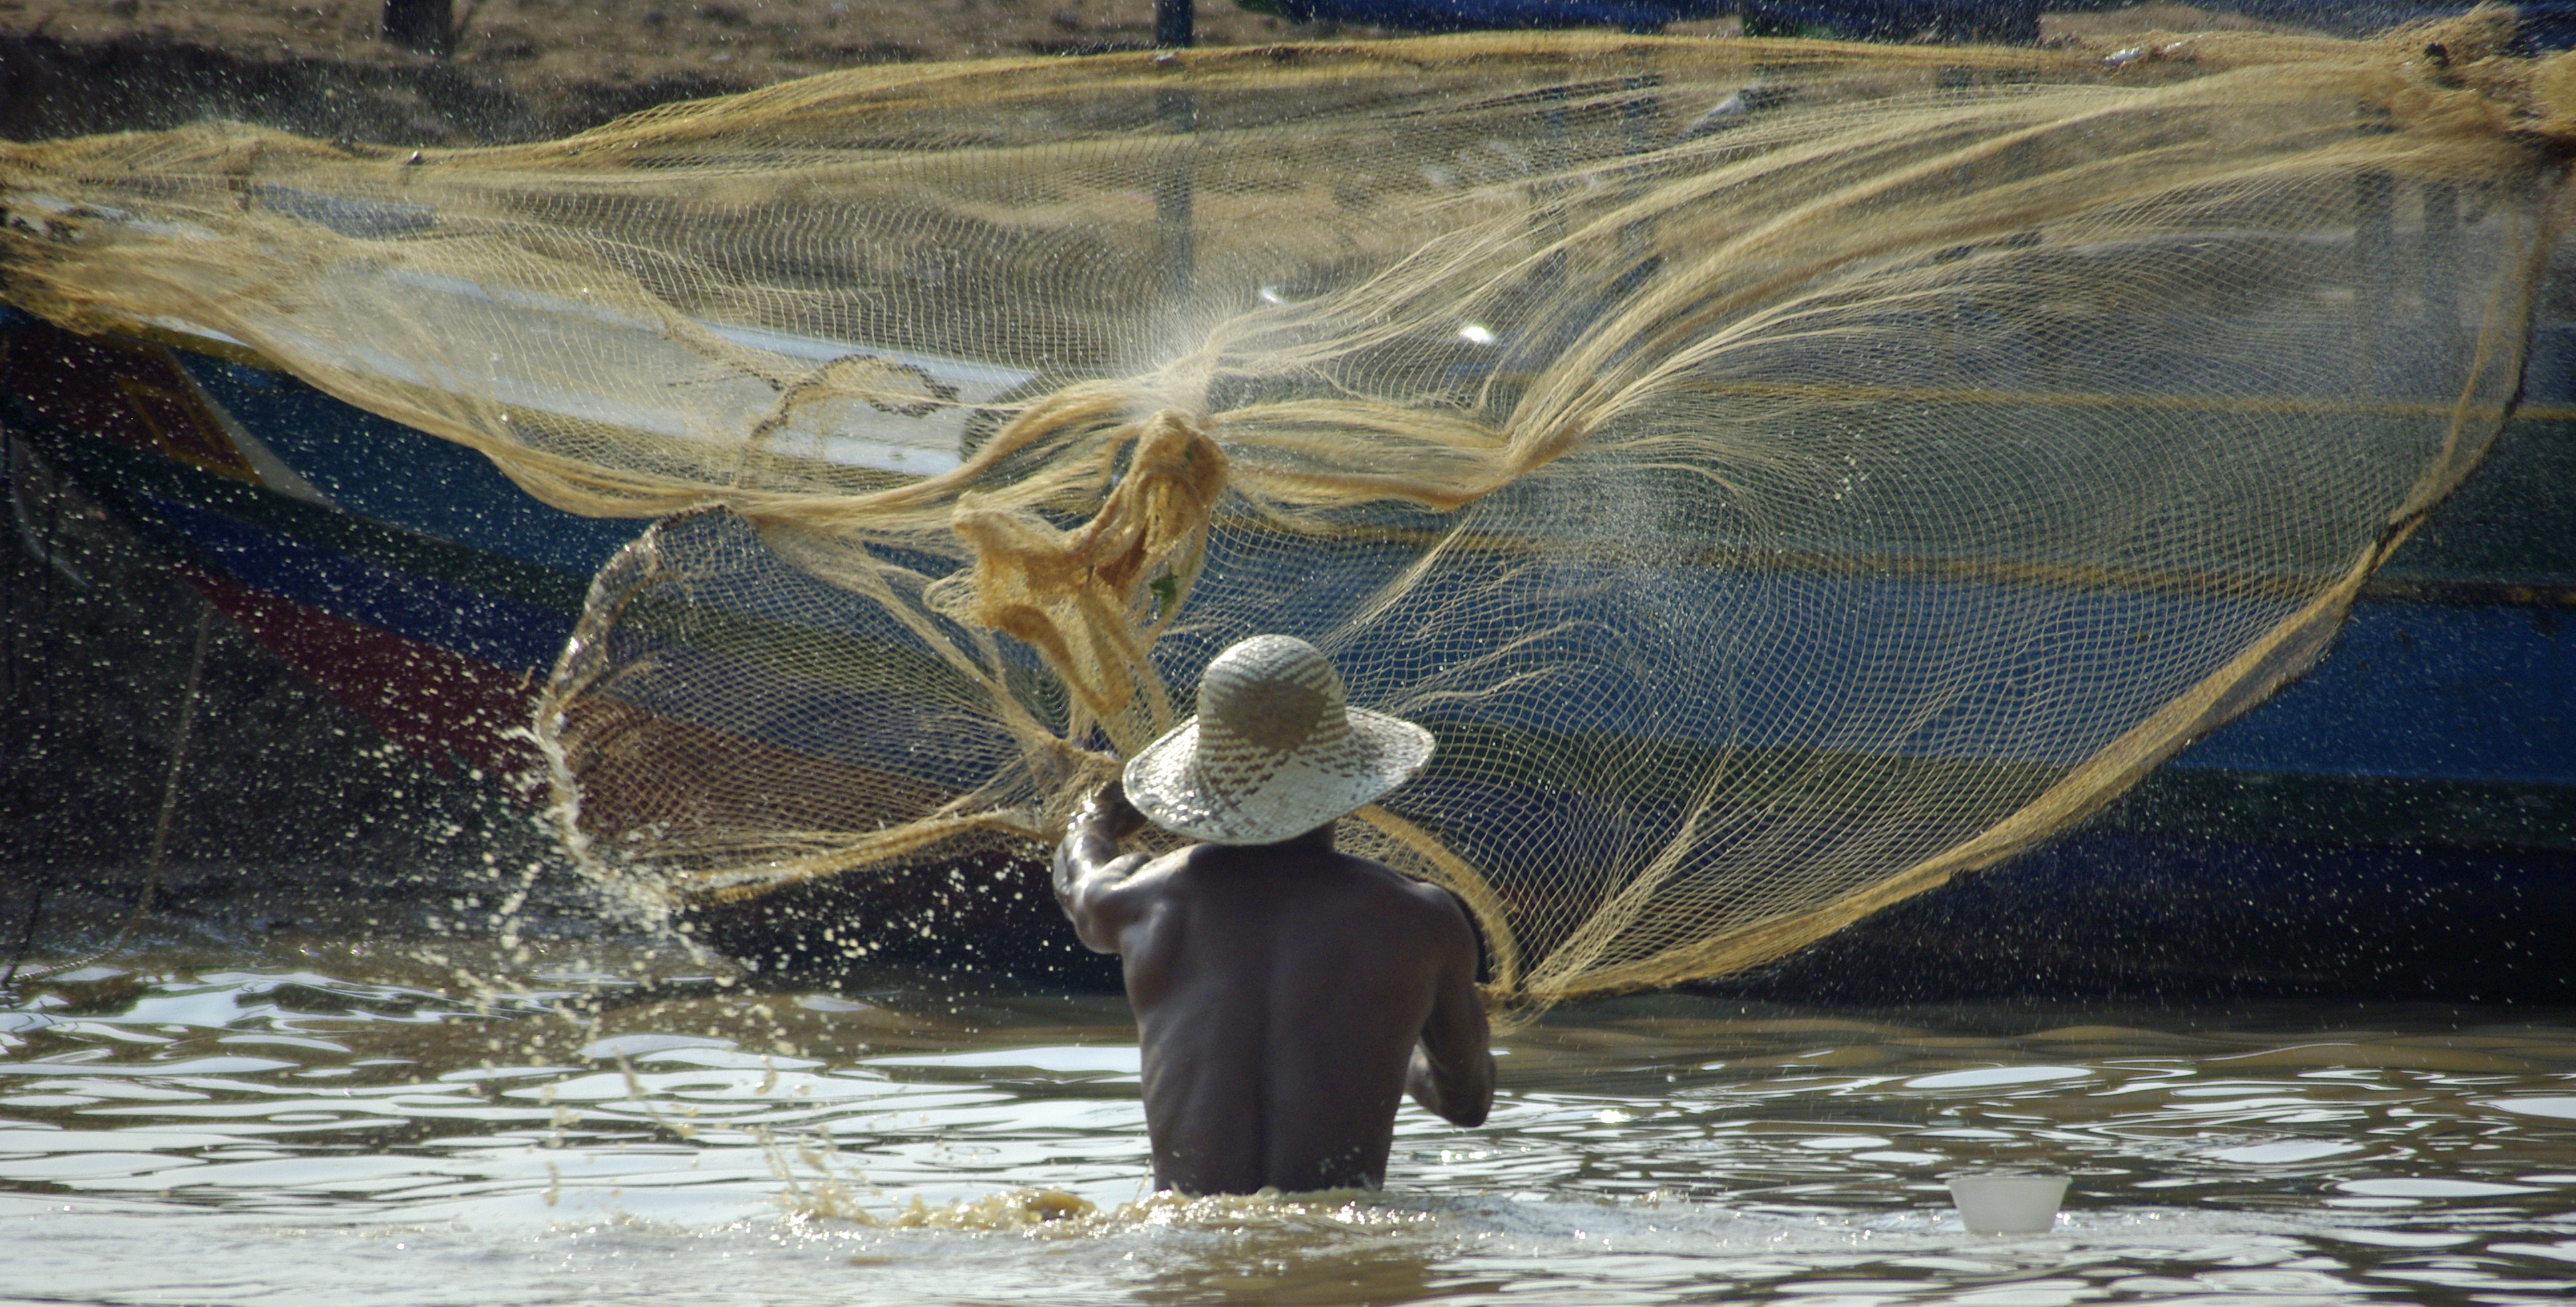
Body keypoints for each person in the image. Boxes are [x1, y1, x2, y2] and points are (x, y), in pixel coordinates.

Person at [1052, 633, 1493, 1195]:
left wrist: (1095, 815)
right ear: (1348, 776)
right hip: (1340, 1250)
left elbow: (1078, 881)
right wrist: (1401, 1053)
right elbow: (1469, 1101)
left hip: (1188, 1254)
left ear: (1204, 783)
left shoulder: (1144, 900)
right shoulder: (1420, 921)